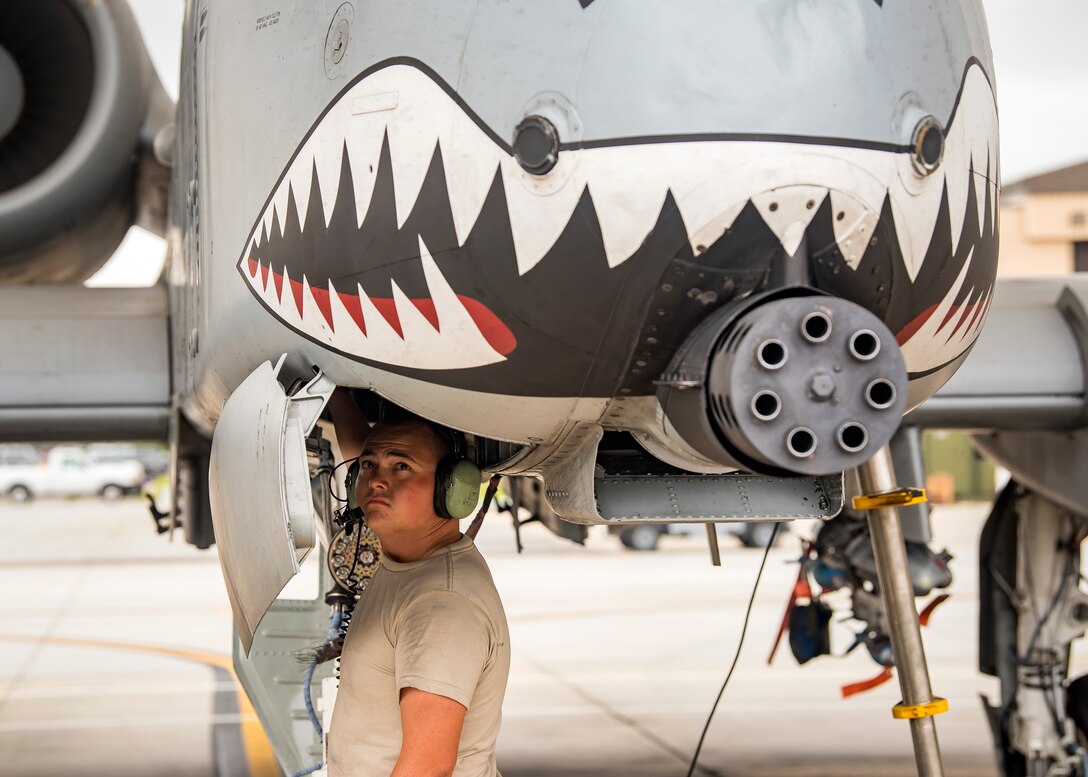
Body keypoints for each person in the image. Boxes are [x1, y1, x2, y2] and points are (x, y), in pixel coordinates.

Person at [326, 409, 510, 777]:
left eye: (402, 467)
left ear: (452, 490)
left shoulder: (442, 606)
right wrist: (337, 394)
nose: (377, 481)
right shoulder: (408, 558)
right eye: (368, 465)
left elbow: (427, 767)